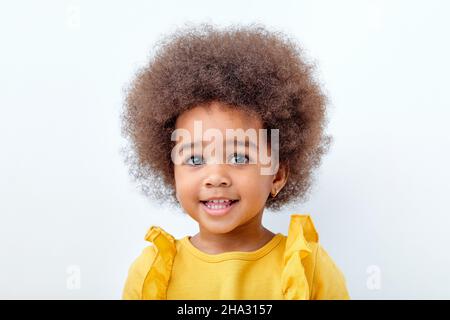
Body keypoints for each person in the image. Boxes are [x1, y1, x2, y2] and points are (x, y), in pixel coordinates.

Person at [120, 22, 350, 300]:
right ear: (173, 173)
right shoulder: (153, 273)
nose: (216, 176)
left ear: (276, 174)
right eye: (194, 158)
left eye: (239, 156)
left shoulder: (306, 268)